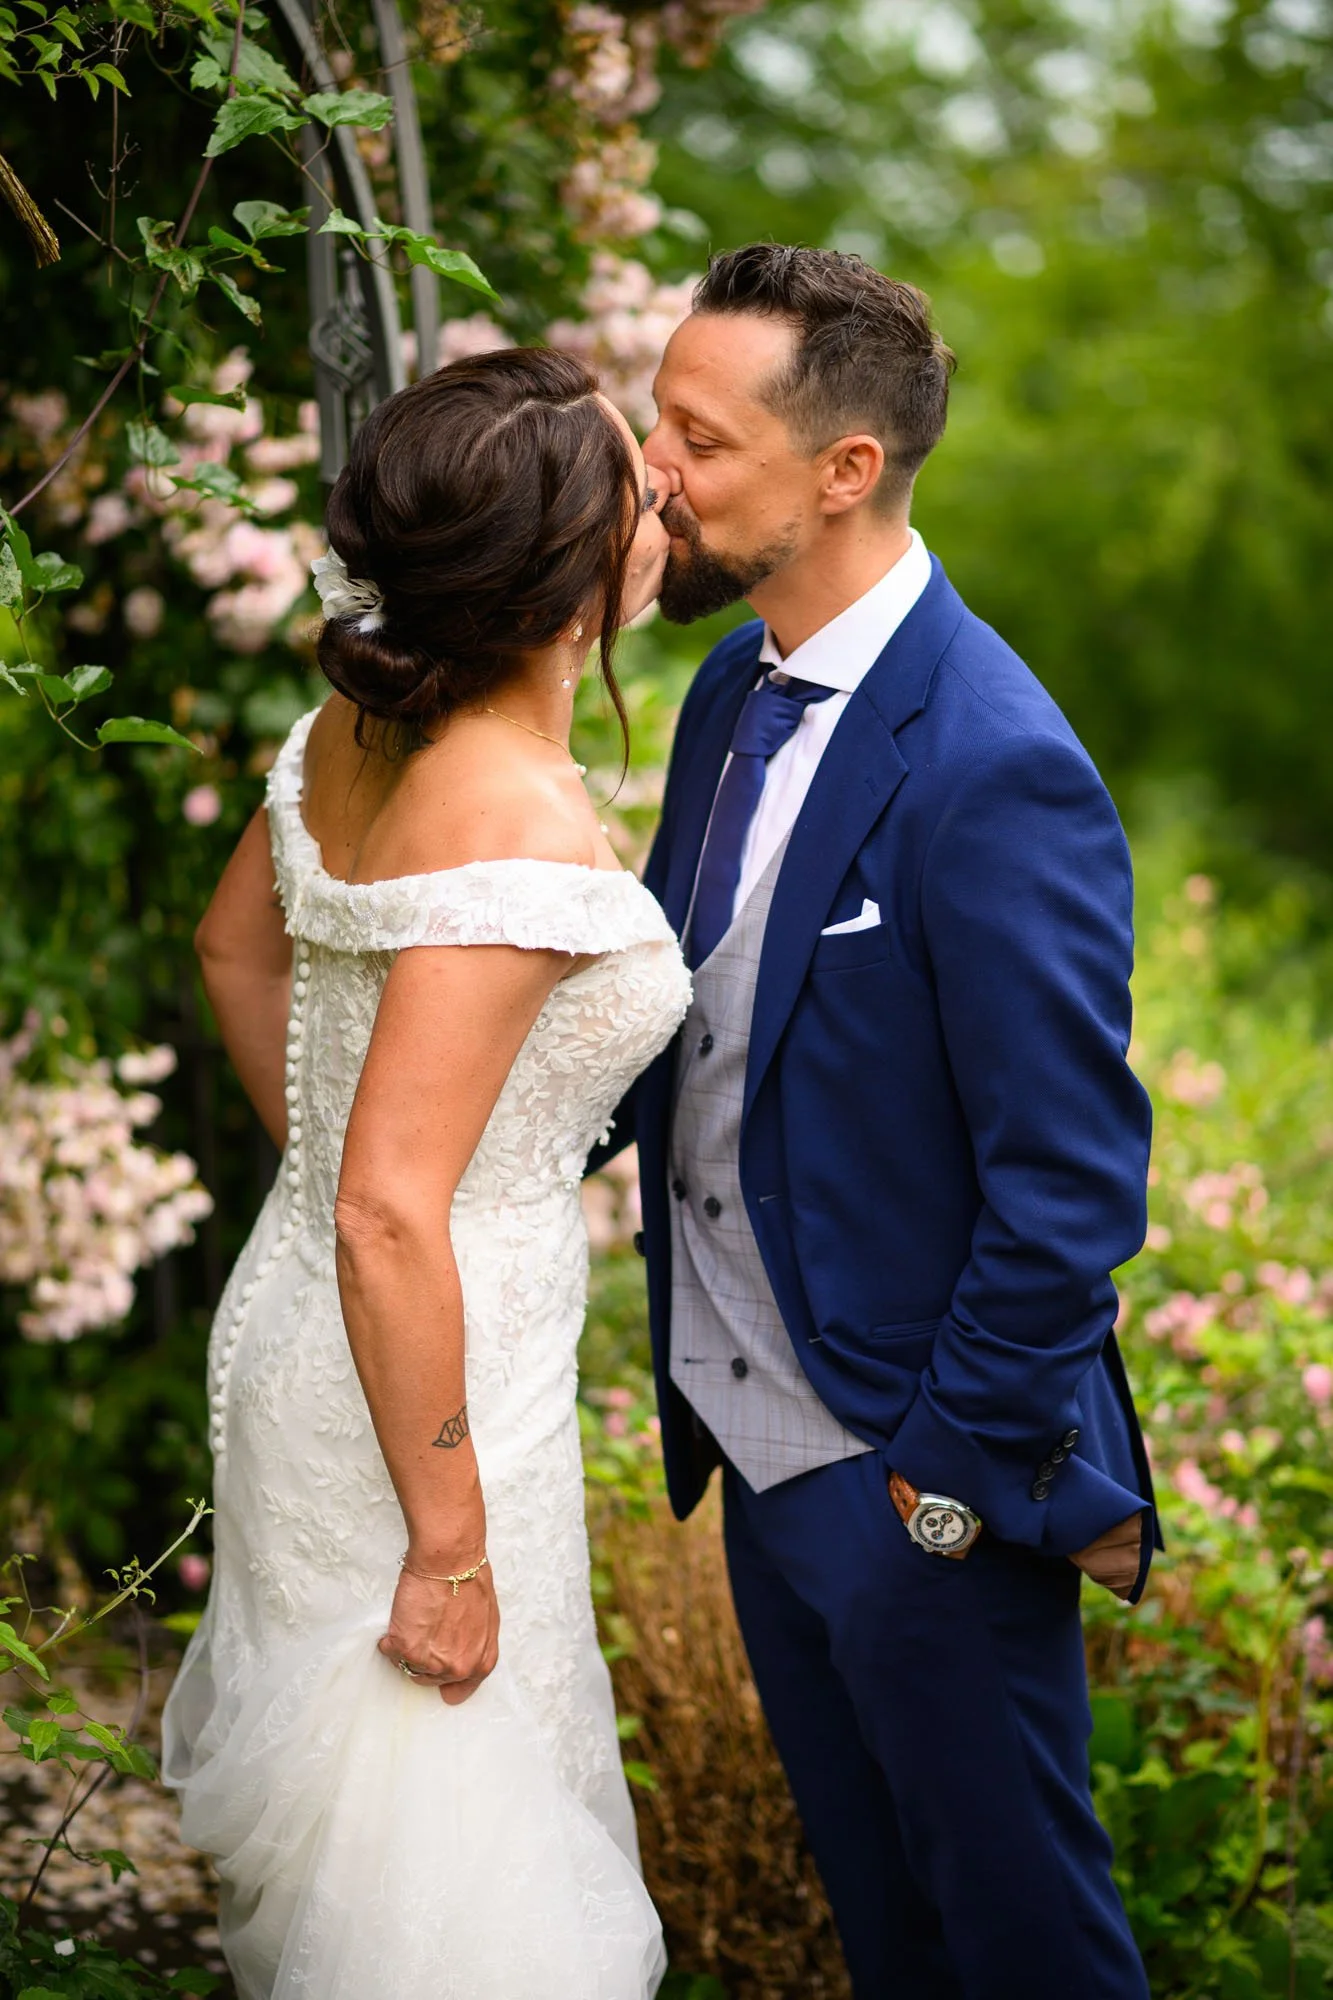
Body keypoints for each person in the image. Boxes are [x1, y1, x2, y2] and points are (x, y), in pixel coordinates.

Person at [592, 244, 1159, 1998]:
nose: (652, 472)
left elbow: (1071, 1183)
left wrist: (941, 1478)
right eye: (659, 419)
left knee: (1027, 1948)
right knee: (889, 1941)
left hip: (919, 1481)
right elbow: (681, 1016)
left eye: (701, 439)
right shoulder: (727, 689)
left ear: (847, 468)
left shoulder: (996, 763)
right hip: (754, 1458)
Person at [161, 347, 688, 2000]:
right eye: (640, 488)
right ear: (568, 582)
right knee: (448, 1868)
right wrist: (450, 1549)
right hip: (429, 1383)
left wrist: (343, 1169)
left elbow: (234, 952)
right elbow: (392, 1203)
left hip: (320, 1324)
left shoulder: (354, 727)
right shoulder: (515, 822)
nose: (667, 498)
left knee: (375, 1838)